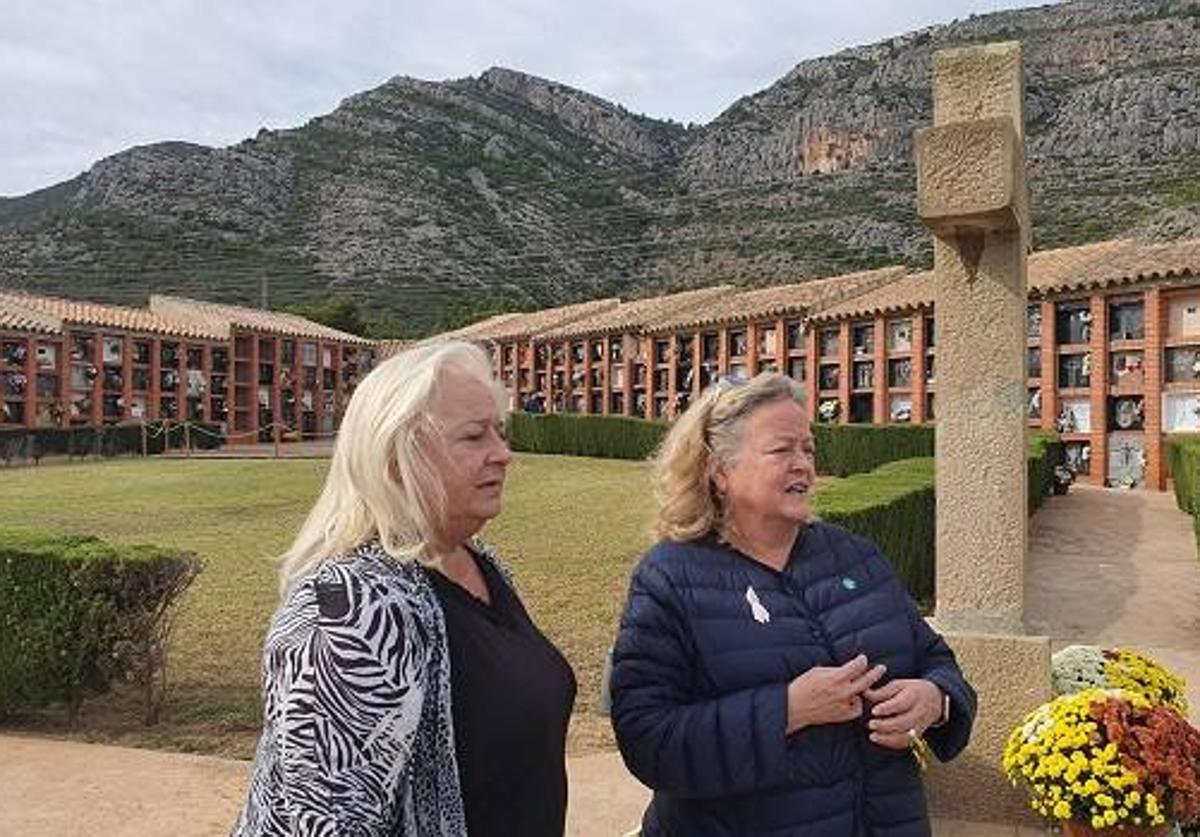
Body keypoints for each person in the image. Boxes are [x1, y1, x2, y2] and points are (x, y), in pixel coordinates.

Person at [232, 340, 576, 837]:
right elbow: (318, 822)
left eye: (500, 432)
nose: (503, 455)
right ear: (396, 455)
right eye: (475, 436)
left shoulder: (480, 564)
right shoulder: (348, 610)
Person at [610, 373, 975, 836]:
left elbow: (936, 659)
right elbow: (648, 740)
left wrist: (936, 700)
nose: (804, 464)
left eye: (809, 449)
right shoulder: (670, 579)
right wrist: (785, 709)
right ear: (719, 470)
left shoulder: (855, 555)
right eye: (783, 450)